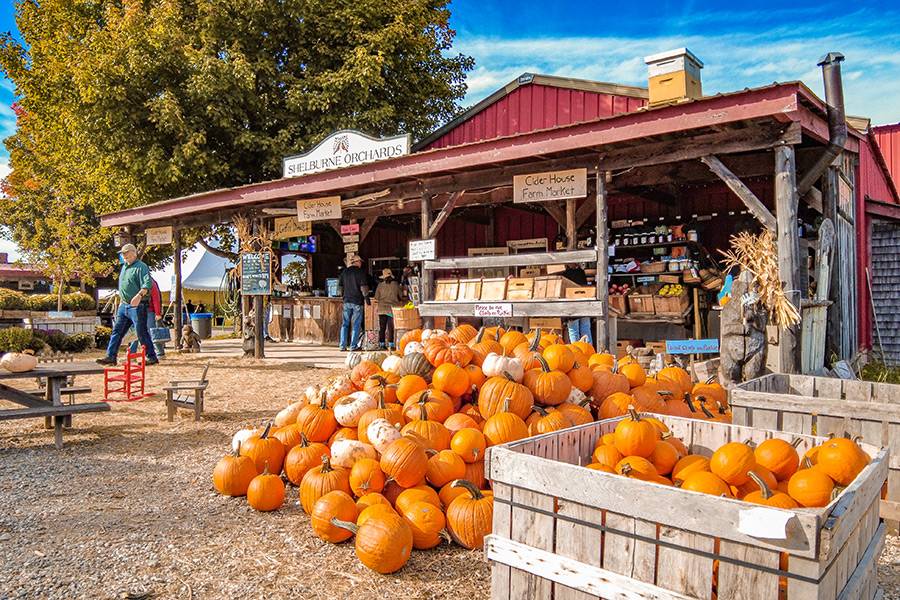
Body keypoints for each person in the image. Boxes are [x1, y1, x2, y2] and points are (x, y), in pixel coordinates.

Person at [97, 243, 159, 366]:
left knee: (141, 332)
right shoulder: (124, 267)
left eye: (126, 253)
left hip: (138, 306)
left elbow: (147, 284)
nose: (124, 256)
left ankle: (151, 356)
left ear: (133, 253)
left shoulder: (141, 267)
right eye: (123, 254)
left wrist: (139, 296)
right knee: (117, 331)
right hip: (124, 305)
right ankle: (111, 356)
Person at [338, 255, 370, 351]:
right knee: (356, 324)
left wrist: (343, 296)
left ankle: (342, 346)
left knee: (345, 324)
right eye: (360, 262)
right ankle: (353, 346)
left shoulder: (344, 272)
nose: (361, 263)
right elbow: (363, 288)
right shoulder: (361, 272)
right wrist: (367, 298)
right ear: (357, 262)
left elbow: (340, 288)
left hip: (346, 301)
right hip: (357, 301)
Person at [129, 277, 165, 358]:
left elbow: (156, 298)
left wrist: (157, 313)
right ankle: (132, 353)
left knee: (152, 332)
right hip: (137, 309)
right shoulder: (135, 282)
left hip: (149, 310)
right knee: (136, 331)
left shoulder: (151, 282)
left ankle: (160, 352)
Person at [561, 263, 593, 347]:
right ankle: (588, 351)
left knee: (573, 331)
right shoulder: (581, 272)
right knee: (585, 329)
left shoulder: (565, 274)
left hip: (571, 304)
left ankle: (576, 352)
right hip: (583, 302)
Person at [374, 268, 402, 350]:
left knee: (382, 328)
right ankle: (391, 344)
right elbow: (400, 296)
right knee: (391, 328)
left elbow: (376, 297)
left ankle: (382, 344)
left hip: (382, 309)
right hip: (391, 309)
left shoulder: (380, 285)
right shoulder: (396, 284)